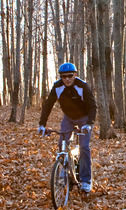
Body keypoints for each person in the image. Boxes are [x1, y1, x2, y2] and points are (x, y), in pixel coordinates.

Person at [38, 62, 96, 192]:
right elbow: (48, 105)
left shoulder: (83, 86)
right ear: (61, 77)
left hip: (84, 118)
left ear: (75, 75)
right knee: (61, 145)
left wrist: (89, 123)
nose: (67, 79)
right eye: (64, 77)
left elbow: (93, 106)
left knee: (84, 147)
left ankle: (86, 180)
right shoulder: (57, 87)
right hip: (68, 118)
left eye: (70, 76)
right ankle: (63, 173)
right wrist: (42, 124)